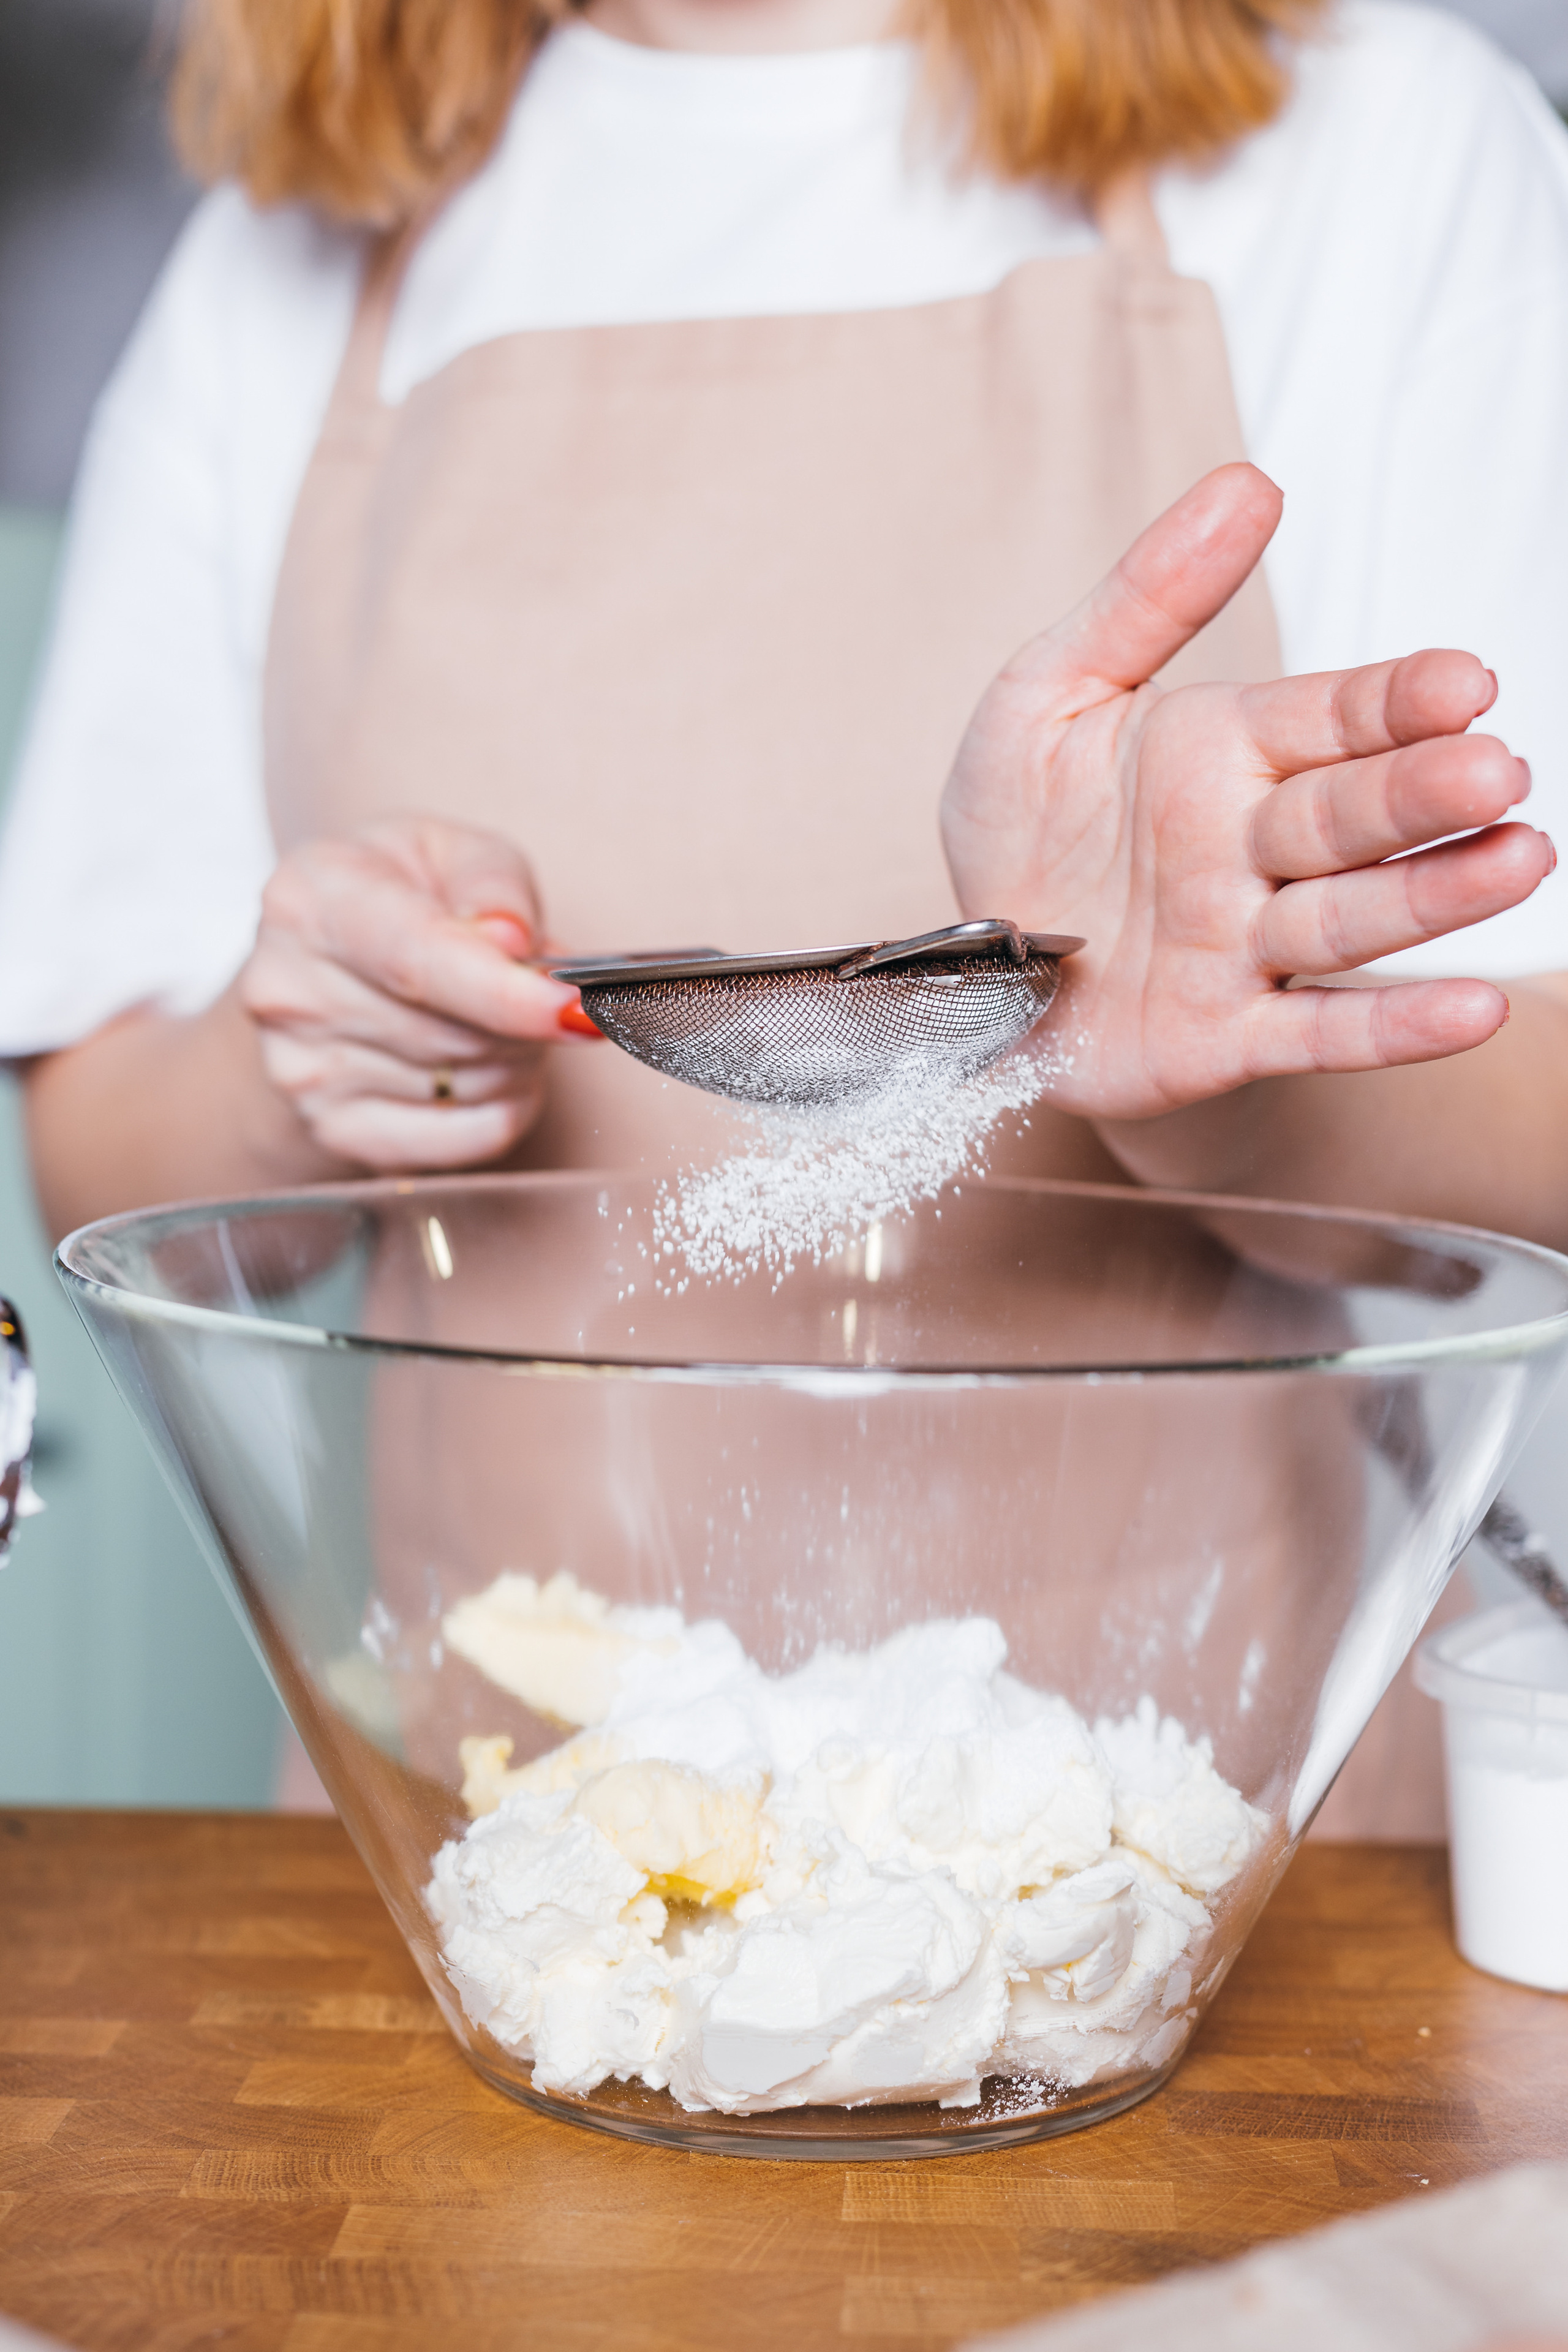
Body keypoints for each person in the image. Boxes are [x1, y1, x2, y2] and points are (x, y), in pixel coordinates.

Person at [1, 0, 1566, 1831]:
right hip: (496, 1865)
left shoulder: (1373, 141)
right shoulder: (299, 235)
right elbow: (99, 1173)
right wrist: (303, 1070)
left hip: (1212, 1871)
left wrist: (1226, 1082)